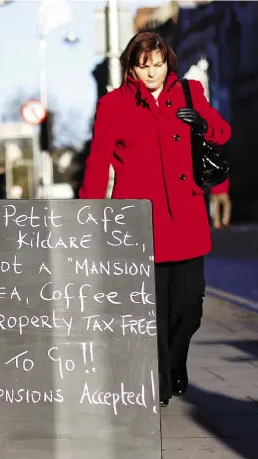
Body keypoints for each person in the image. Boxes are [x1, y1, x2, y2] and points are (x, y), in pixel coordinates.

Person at [79, 32, 231, 407]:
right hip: (138, 223)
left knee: (188, 310)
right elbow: (99, 162)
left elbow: (222, 133)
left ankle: (177, 360)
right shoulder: (114, 105)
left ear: (169, 62)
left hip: (187, 219)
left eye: (158, 65)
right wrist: (87, 215)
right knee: (153, 313)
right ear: (131, 66)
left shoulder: (191, 93)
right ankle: (159, 383)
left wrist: (201, 124)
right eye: (143, 66)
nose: (152, 73)